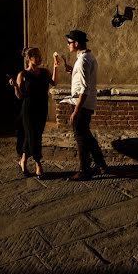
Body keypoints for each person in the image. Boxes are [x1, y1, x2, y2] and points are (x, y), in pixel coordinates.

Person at [57, 29, 108, 181]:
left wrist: (75, 111)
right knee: (86, 135)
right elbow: (86, 79)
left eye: (69, 42)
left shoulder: (83, 60)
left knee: (80, 136)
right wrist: (72, 71)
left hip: (82, 104)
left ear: (76, 43)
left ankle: (84, 170)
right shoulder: (87, 57)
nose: (68, 45)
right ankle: (101, 165)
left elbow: (85, 88)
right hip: (86, 102)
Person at [9, 47, 56, 179]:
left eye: (40, 56)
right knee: (32, 135)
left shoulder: (45, 72)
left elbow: (54, 82)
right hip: (28, 108)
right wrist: (15, 87)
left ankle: (23, 160)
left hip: (42, 108)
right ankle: (38, 163)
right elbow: (19, 96)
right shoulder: (22, 74)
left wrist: (56, 66)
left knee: (36, 135)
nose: (40, 58)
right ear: (29, 59)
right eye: (37, 56)